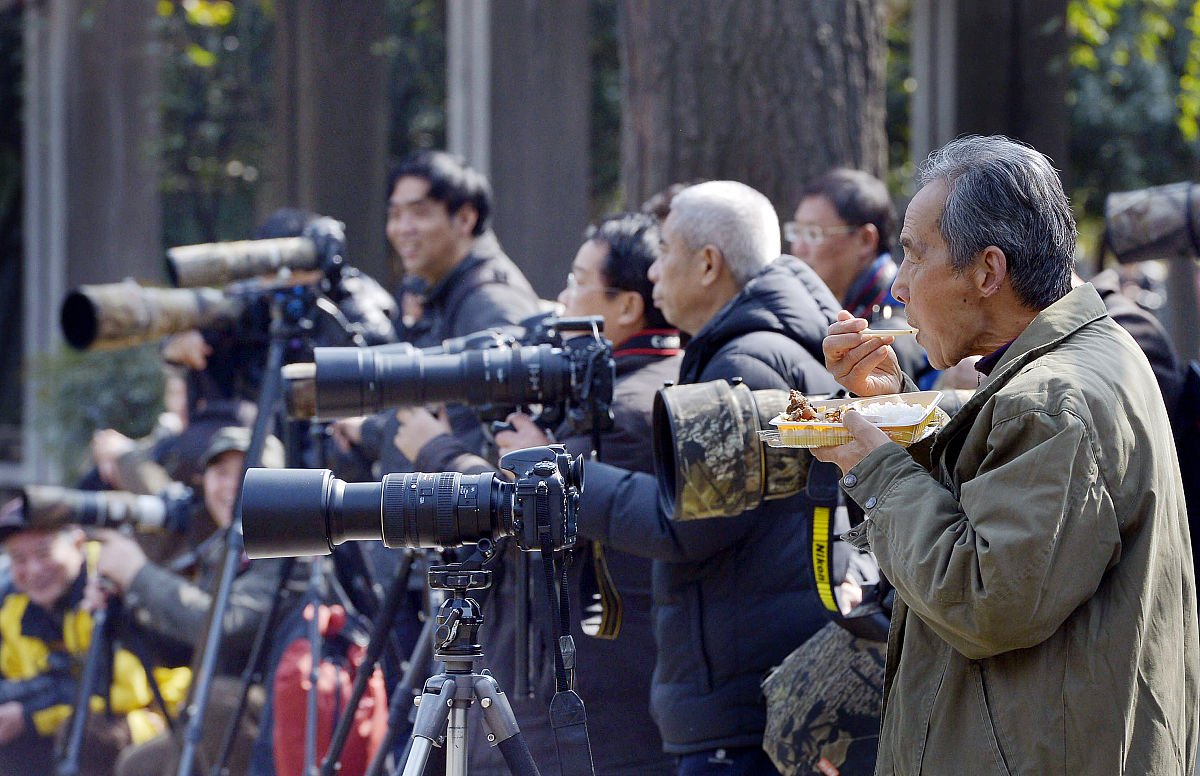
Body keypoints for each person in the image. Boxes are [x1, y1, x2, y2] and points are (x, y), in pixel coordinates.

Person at [816, 135, 1198, 774]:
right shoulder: (1072, 360)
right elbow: (991, 512)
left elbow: (987, 601)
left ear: (988, 272)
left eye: (914, 257)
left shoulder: (1053, 399)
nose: (900, 288)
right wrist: (896, 410)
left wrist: (873, 467)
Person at [500, 181, 840, 775]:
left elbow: (689, 519)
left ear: (708, 263)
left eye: (664, 250)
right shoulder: (755, 347)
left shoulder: (745, 360)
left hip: (740, 696)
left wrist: (560, 474)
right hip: (755, 679)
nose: (653, 271)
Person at [394, 212, 682, 775]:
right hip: (595, 697)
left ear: (626, 307)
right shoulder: (637, 391)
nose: (559, 300)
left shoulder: (623, 414)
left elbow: (522, 529)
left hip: (588, 707)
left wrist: (438, 453)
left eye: (577, 281)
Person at [92, 427, 295, 776]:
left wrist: (138, 572)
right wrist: (124, 605)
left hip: (282, 711)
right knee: (137, 766)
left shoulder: (291, 546)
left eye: (247, 471)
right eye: (220, 473)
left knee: (219, 702)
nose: (230, 486)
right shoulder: (220, 550)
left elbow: (225, 624)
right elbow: (182, 648)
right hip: (222, 710)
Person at [331, 150, 543, 475]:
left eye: (419, 213)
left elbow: (478, 441)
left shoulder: (492, 303)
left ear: (465, 219)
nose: (403, 228)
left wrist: (376, 430)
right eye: (395, 214)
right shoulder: (445, 290)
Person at [0, 506, 189, 776]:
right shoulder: (14, 605)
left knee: (85, 733)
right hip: (75, 715)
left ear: (78, 543)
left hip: (157, 715)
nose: (33, 569)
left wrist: (30, 716)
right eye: (18, 558)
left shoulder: (107, 584)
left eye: (44, 552)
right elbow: (20, 678)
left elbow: (123, 692)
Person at [789, 168, 930, 385]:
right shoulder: (853, 303)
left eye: (812, 233)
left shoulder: (905, 309)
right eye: (796, 231)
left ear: (865, 240)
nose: (798, 248)